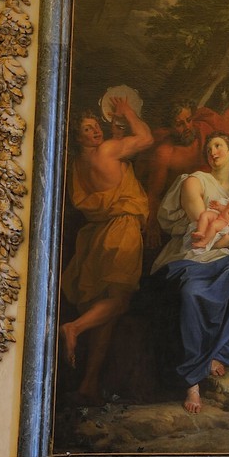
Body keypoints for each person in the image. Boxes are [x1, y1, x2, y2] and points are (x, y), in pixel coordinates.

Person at [152, 131, 229, 414]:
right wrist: (228, 238)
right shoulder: (194, 181)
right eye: (208, 148)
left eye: (219, 146)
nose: (213, 152)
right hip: (199, 255)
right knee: (192, 294)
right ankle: (193, 381)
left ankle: (217, 354)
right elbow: (205, 224)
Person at [60, 97, 153, 397]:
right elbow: (146, 139)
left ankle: (89, 382)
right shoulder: (107, 151)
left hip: (98, 237)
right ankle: (72, 328)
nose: (95, 132)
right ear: (77, 138)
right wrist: (127, 112)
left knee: (107, 313)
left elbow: (106, 182)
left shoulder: (80, 164)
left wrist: (115, 135)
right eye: (87, 130)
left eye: (94, 126)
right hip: (122, 231)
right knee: (120, 302)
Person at [139, 74, 229, 243]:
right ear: (170, 127)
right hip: (188, 206)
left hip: (219, 199)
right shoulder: (165, 153)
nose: (187, 127)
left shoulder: (203, 129)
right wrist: (152, 225)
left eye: (188, 120)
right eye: (179, 124)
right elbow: (154, 193)